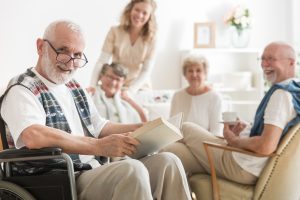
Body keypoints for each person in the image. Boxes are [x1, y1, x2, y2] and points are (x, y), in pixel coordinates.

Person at [0, 20, 192, 200]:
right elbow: (34, 135)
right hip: (61, 177)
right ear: (40, 47)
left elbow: (99, 126)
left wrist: (143, 127)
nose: (70, 62)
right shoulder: (21, 88)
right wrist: (98, 146)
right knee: (131, 169)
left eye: (77, 55)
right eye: (63, 51)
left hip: (93, 169)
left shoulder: (73, 86)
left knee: (168, 162)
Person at [163, 42, 300, 185]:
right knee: (173, 150)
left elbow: (266, 146)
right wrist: (246, 129)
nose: (265, 64)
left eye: (271, 59)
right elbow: (270, 134)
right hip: (247, 163)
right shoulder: (293, 91)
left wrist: (235, 141)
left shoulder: (281, 95)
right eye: (263, 59)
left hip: (242, 166)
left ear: (291, 63)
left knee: (186, 127)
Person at [90, 0, 157, 93]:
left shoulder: (152, 39)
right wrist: (93, 86)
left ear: (150, 16)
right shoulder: (114, 31)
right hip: (115, 83)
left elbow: (146, 70)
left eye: (144, 13)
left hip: (139, 86)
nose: (140, 15)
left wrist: (130, 91)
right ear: (130, 10)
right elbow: (102, 61)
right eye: (137, 10)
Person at [170, 55, 223, 136]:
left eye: (198, 70)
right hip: (180, 142)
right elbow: (172, 127)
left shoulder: (214, 97)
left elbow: (216, 132)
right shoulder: (177, 96)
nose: (194, 75)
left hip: (203, 144)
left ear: (205, 74)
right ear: (185, 75)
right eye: (190, 71)